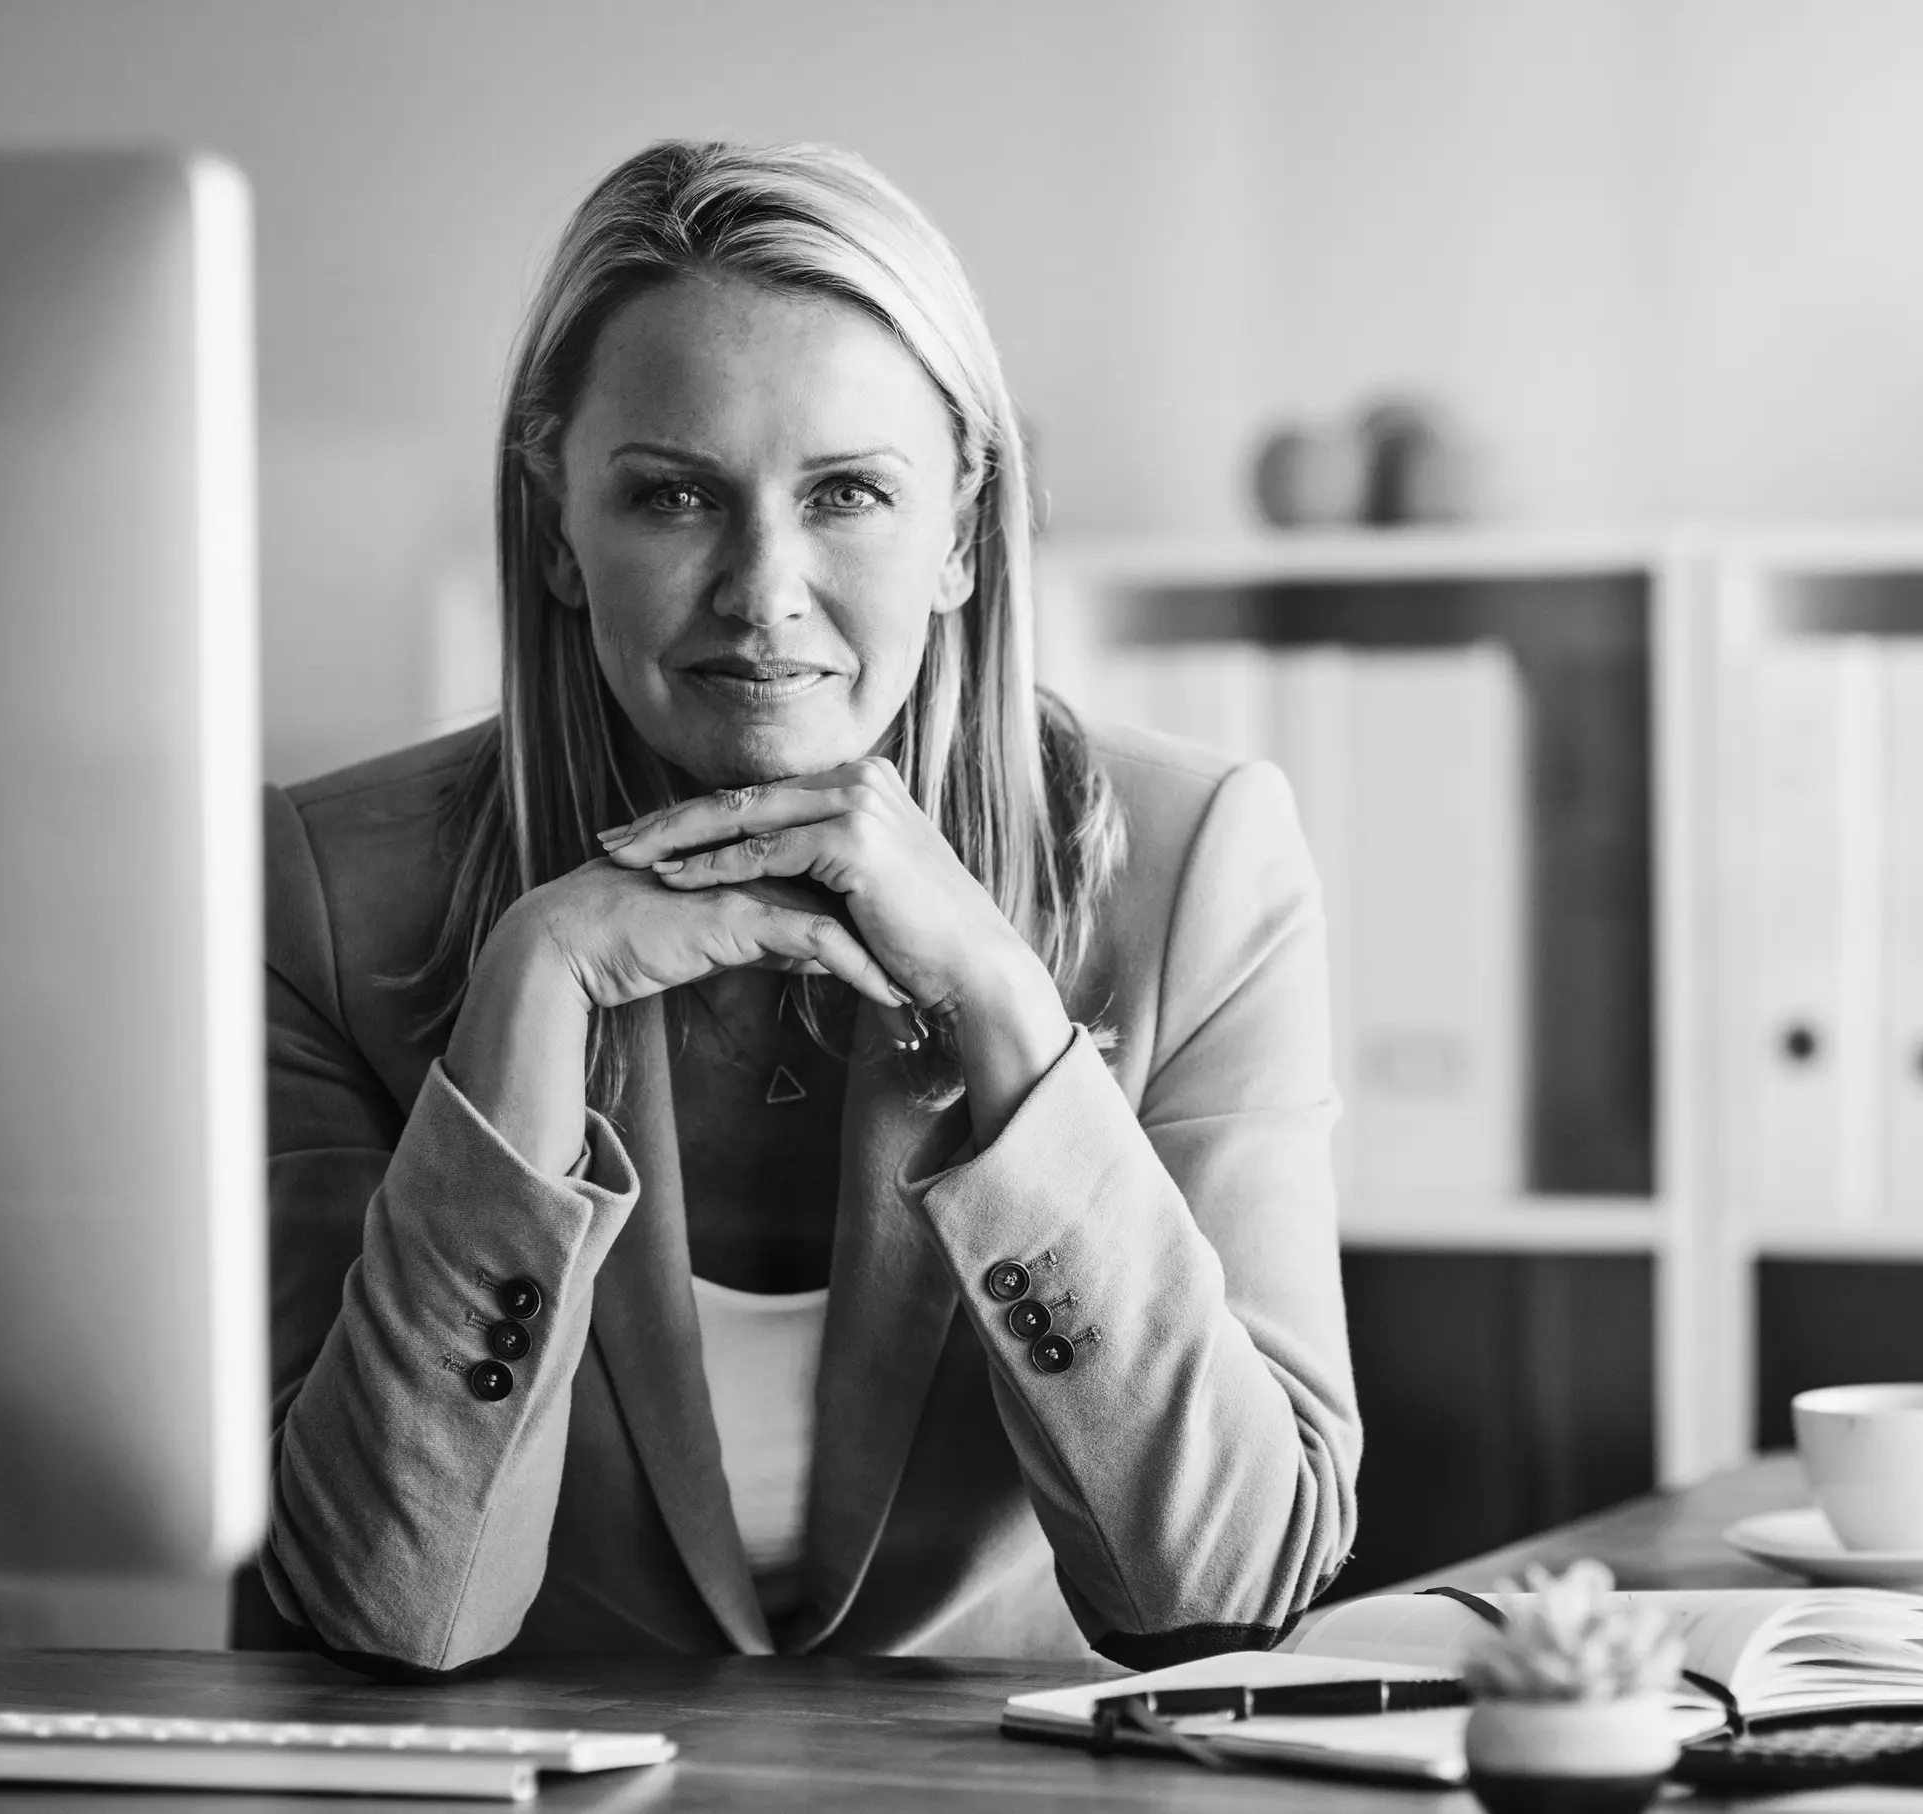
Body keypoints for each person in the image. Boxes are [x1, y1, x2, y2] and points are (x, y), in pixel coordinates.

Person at [257, 139, 1359, 1676]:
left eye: (847, 492)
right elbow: (391, 1611)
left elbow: (1224, 1586)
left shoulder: (1196, 862)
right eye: (672, 496)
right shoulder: (322, 892)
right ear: (559, 522)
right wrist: (525, 1001)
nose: (763, 587)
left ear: (964, 528)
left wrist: (1003, 1004)